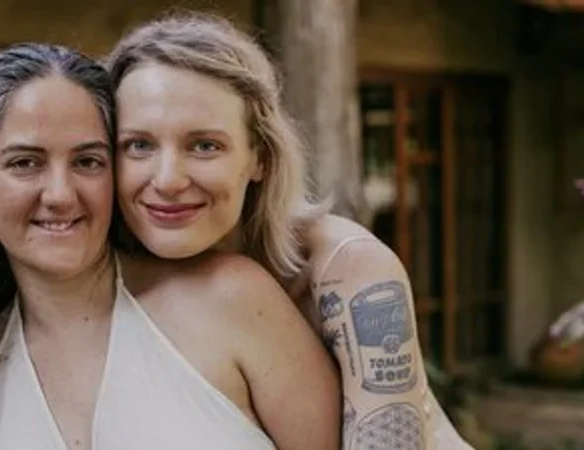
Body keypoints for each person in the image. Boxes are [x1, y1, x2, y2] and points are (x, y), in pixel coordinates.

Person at [0, 42, 339, 450]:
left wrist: (353, 254)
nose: (60, 194)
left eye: (88, 161)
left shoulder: (232, 300)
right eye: (25, 162)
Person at [105, 11, 474, 450]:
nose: (167, 179)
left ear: (259, 158)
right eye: (139, 145)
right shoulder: (104, 282)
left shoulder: (346, 266)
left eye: (205, 146)